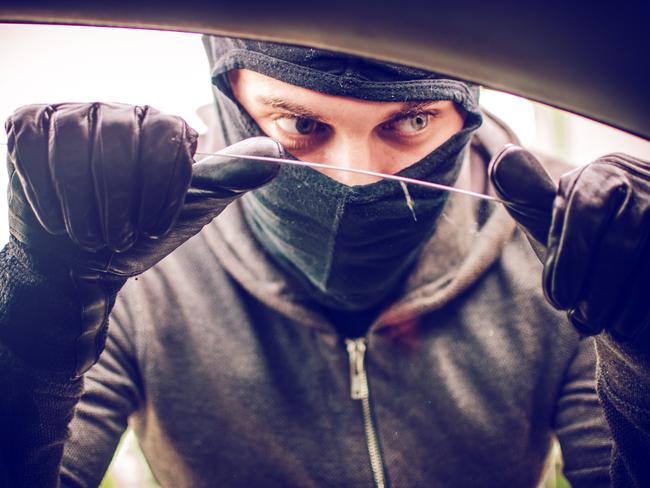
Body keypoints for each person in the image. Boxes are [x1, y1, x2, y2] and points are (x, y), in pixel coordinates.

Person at [0, 35, 648, 487]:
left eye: (413, 121)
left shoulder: (575, 247)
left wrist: (643, 369)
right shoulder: (130, 251)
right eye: (301, 124)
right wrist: (37, 313)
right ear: (232, 101)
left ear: (468, 108)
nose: (357, 179)